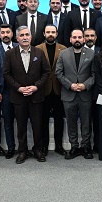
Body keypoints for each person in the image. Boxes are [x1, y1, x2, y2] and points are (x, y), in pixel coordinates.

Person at [3, 26, 50, 164]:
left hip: (36, 96)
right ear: (17, 38)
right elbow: (6, 74)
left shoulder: (39, 52)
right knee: (21, 126)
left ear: (31, 37)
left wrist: (36, 86)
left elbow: (46, 72)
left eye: (27, 35)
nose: (25, 37)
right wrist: (18, 88)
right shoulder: (10, 54)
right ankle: (22, 151)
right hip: (19, 96)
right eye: (22, 35)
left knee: (37, 125)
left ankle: (38, 149)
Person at [56, 29, 95, 159]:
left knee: (86, 122)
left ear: (83, 39)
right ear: (70, 39)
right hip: (68, 94)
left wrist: (85, 85)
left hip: (85, 94)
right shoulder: (63, 54)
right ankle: (74, 147)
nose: (77, 39)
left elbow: (94, 74)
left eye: (79, 37)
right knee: (71, 122)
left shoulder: (91, 53)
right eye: (74, 37)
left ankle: (86, 146)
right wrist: (70, 85)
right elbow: (58, 73)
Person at [36, 24, 66, 156]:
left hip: (59, 89)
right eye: (48, 32)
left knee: (59, 119)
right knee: (43, 119)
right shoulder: (37, 49)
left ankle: (59, 145)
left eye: (53, 32)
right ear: (44, 34)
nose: (50, 34)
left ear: (57, 34)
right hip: (43, 89)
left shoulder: (63, 49)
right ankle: (44, 146)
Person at [0, 26, 18, 157]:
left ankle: (23, 147)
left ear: (12, 34)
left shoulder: (19, 46)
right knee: (7, 121)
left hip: (19, 90)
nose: (5, 35)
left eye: (8, 32)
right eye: (3, 32)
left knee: (21, 120)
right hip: (4, 90)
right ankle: (11, 147)